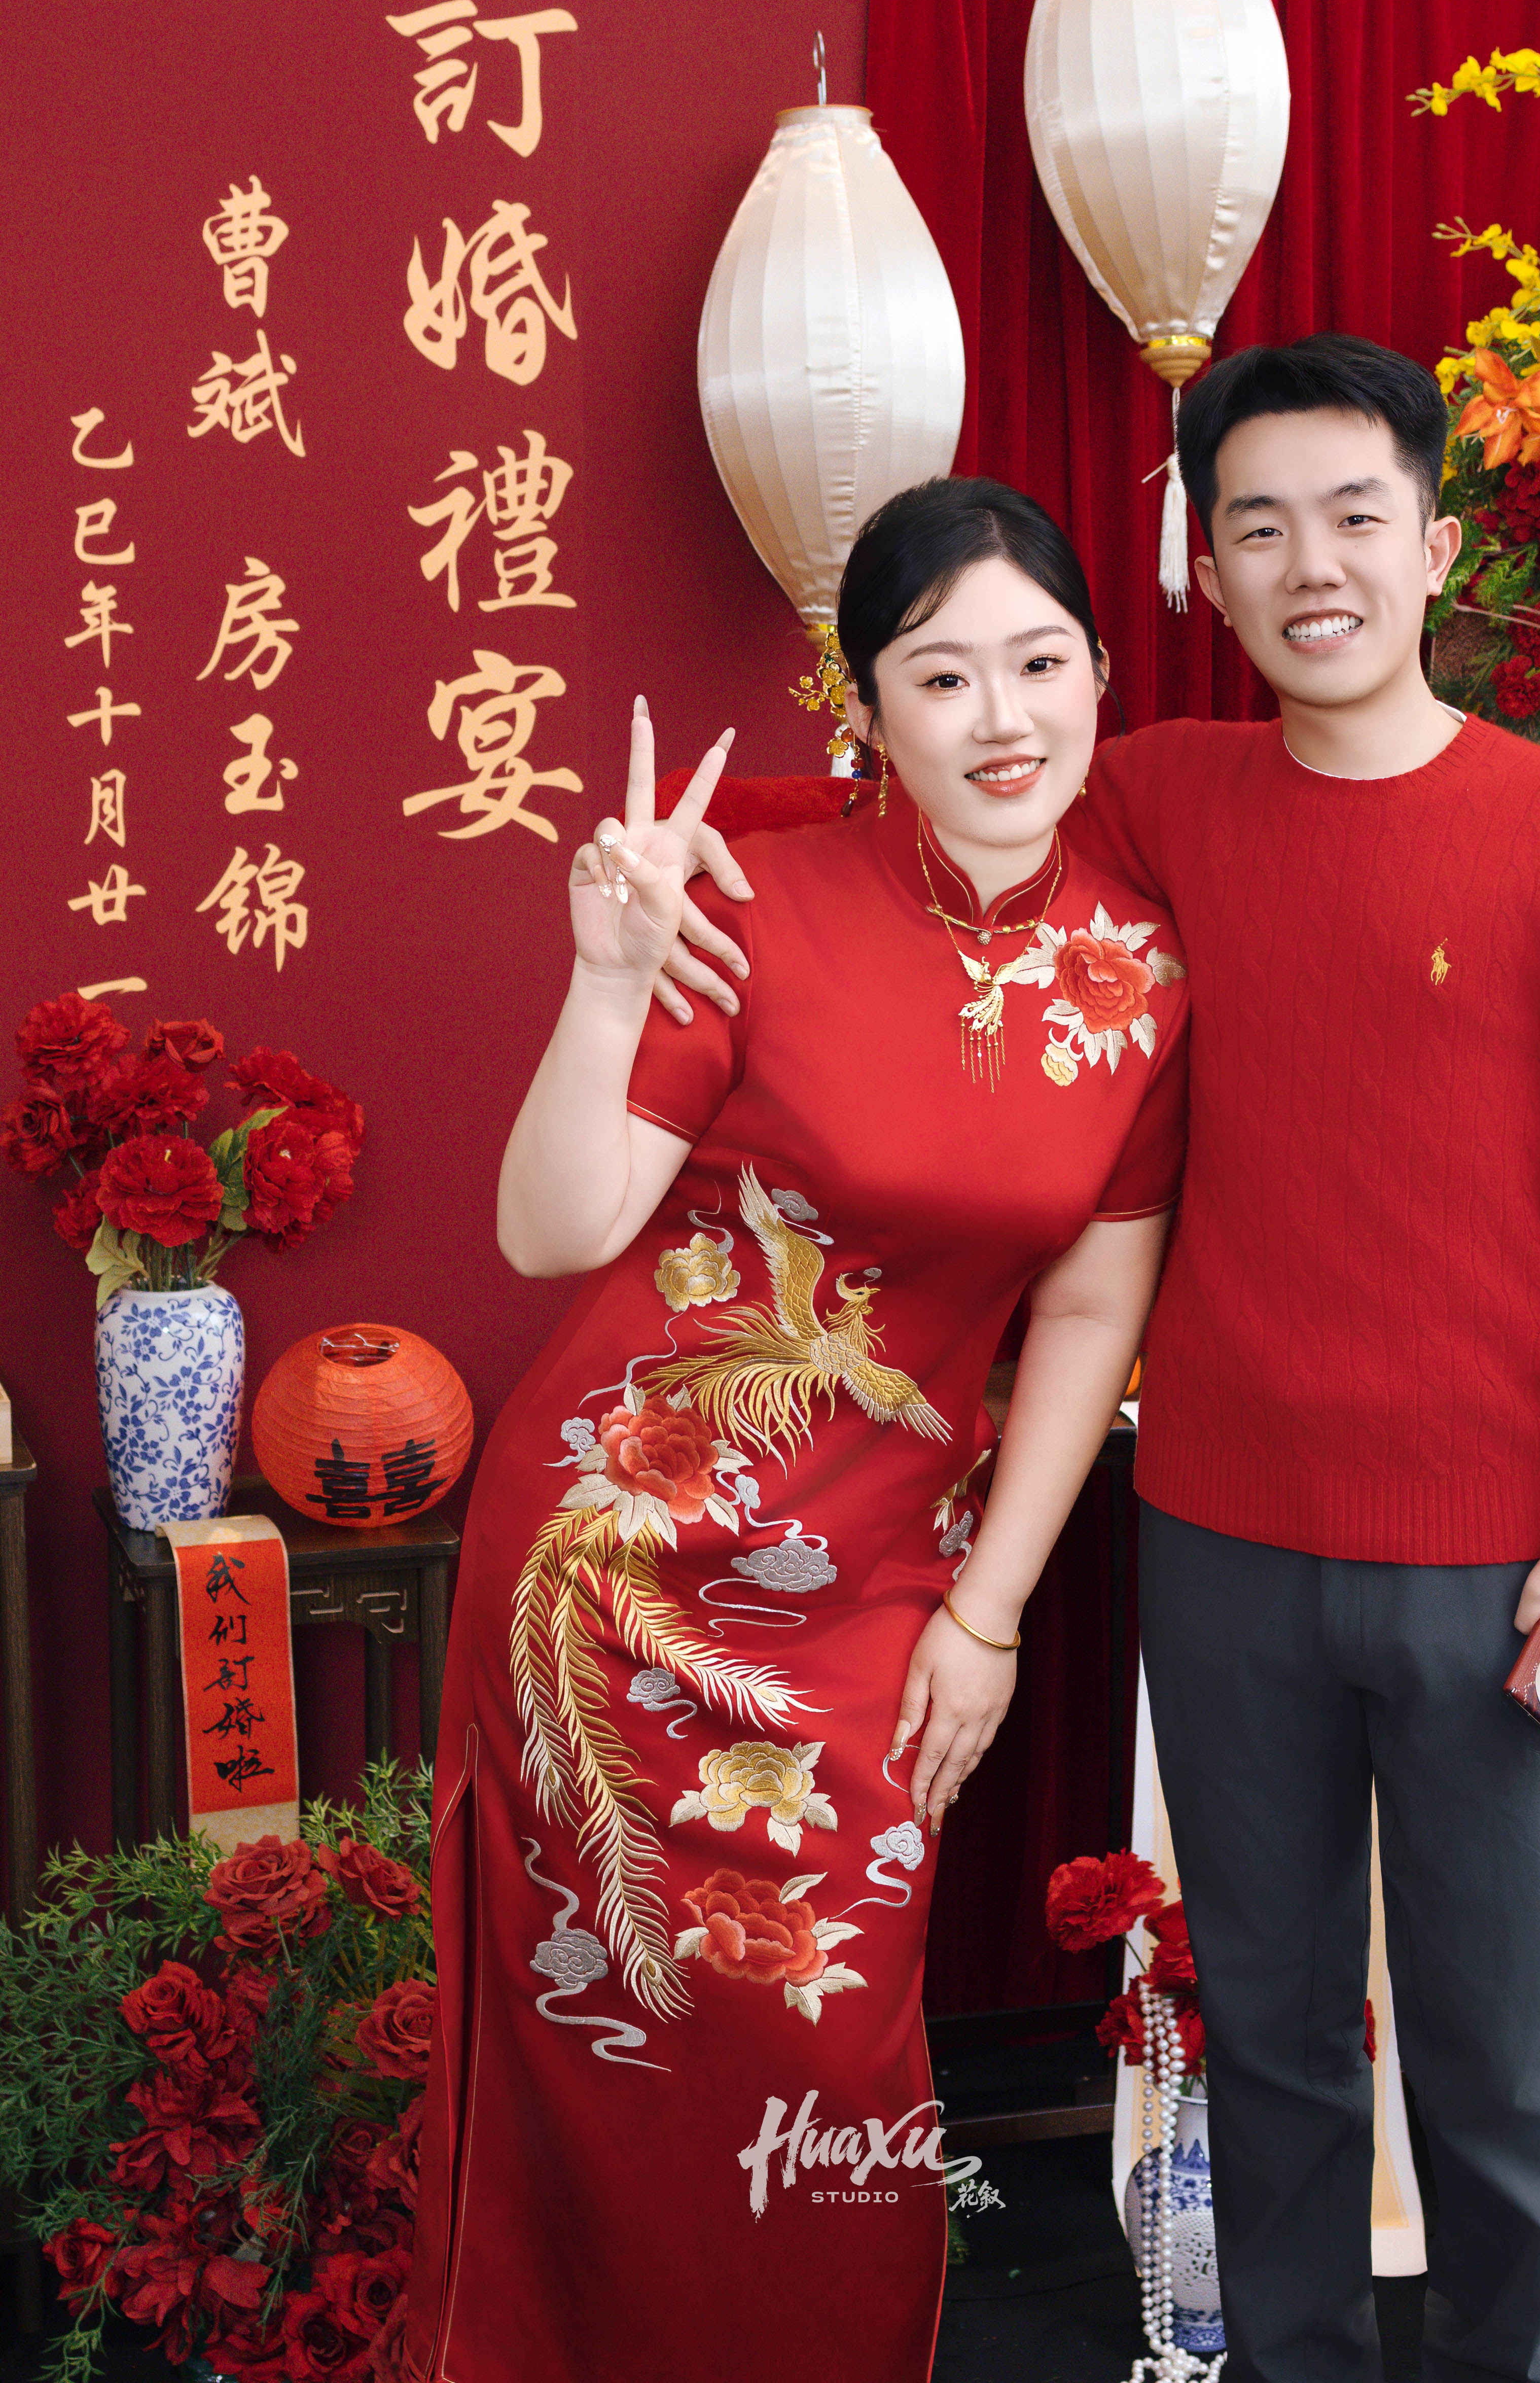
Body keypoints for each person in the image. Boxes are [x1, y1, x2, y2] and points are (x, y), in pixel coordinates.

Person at [662, 337, 1540, 2383]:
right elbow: (931, 810)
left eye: (1353, 516)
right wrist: (684, 858)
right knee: (1273, 2040)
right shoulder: (1164, 795)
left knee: (1495, 2058)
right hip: (1220, 1540)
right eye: (1259, 529)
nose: (1312, 566)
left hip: (1490, 1562)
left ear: (1432, 543)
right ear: (1205, 574)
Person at [404, 479, 1191, 2383]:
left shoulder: (1146, 976)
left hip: (877, 1592)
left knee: (828, 2048)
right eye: (942, 676)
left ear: (1100, 672)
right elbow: (553, 1232)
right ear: (870, 707)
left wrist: (989, 1613)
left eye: (1040, 664)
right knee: (605, 2050)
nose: (1002, 719)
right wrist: (607, 986)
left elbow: (1092, 1313)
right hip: (609, 1569)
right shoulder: (755, 901)